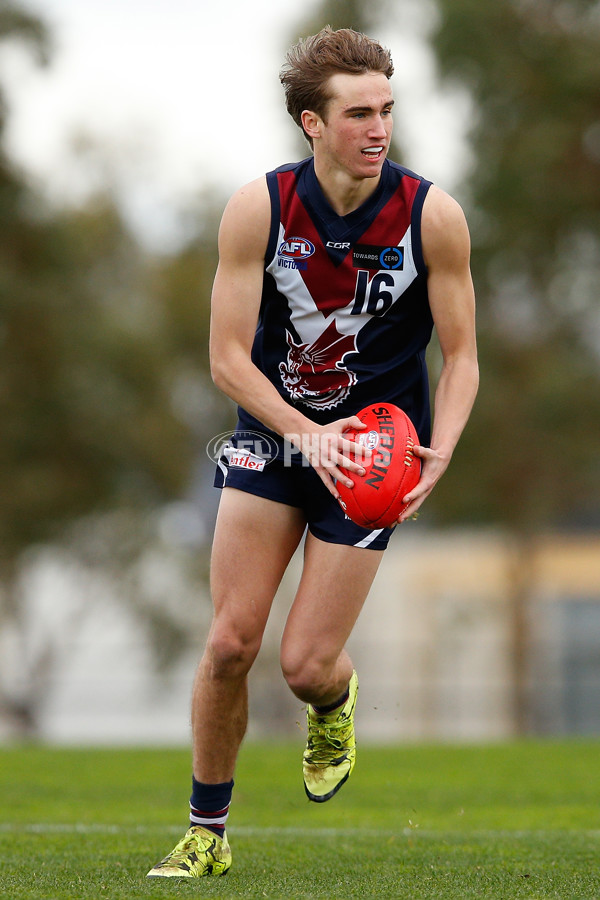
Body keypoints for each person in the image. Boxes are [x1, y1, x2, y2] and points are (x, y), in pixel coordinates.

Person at [147, 25, 478, 878]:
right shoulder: (259, 207)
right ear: (311, 123)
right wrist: (303, 434)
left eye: (387, 111)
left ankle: (334, 699)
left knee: (302, 665)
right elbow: (225, 358)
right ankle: (206, 837)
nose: (379, 129)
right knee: (228, 643)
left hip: (373, 458)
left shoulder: (432, 216)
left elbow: (463, 356)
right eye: (358, 113)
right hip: (275, 436)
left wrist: (439, 448)